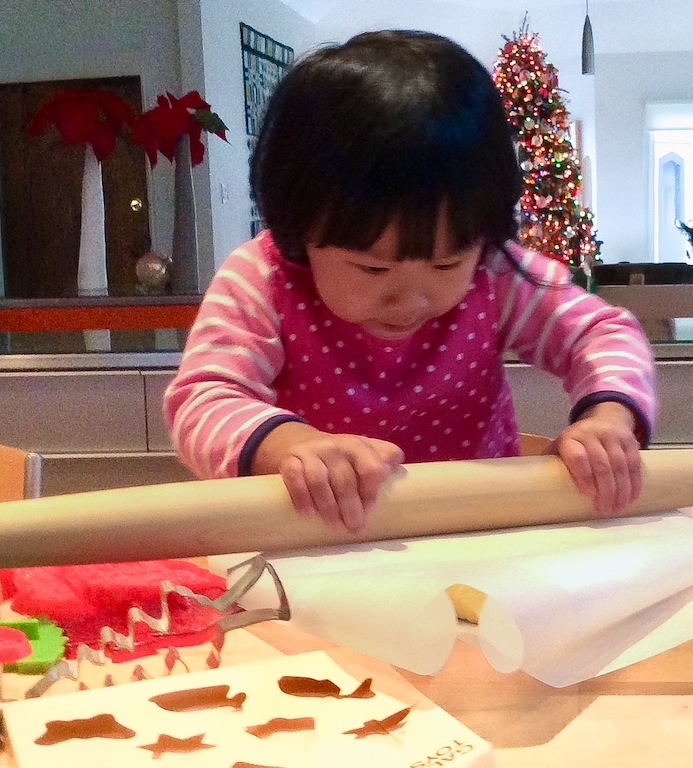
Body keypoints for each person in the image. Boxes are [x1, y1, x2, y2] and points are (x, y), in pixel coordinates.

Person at [165, 29, 656, 534]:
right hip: (318, 540)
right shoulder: (263, 278)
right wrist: (288, 446)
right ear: (300, 225)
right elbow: (204, 398)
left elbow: (602, 333)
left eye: (445, 265)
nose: (411, 299)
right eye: (373, 269)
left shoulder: (494, 272)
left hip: (478, 534)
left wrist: (608, 417)